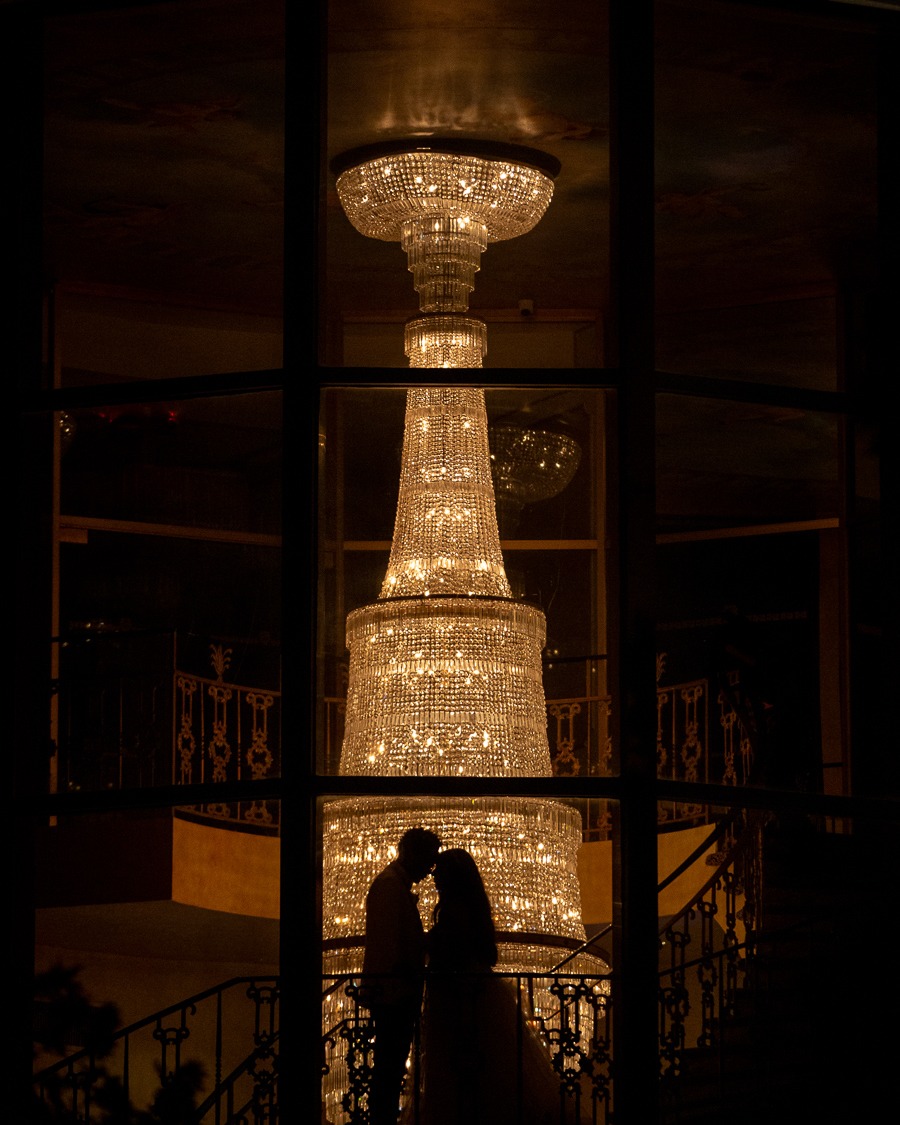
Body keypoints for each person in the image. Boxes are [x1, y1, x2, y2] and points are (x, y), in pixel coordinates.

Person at [406, 848, 585, 1125]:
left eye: (439, 872)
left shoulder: (454, 912)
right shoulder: (470, 910)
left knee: (467, 1069)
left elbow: (452, 952)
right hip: (472, 995)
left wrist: (421, 939)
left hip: (461, 999)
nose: (434, 877)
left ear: (452, 877)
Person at [359, 827, 442, 1125]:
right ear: (409, 853)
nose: (429, 870)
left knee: (391, 1068)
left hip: (395, 993)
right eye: (427, 860)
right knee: (388, 1069)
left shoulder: (395, 886)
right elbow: (387, 945)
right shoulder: (390, 887)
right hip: (393, 995)